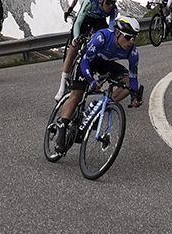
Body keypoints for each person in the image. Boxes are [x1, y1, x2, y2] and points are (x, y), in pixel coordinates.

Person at [49, 15, 143, 151]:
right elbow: (85, 61)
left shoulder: (133, 52)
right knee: (77, 96)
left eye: (134, 37)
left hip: (105, 63)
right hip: (87, 62)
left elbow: (133, 78)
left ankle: (99, 106)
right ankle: (62, 126)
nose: (131, 41)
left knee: (126, 82)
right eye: (128, 37)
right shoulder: (102, 37)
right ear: (117, 33)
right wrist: (91, 81)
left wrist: (134, 96)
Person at [61, 0, 119, 85]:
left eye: (113, 3)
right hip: (86, 17)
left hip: (99, 20)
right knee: (75, 44)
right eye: (108, 2)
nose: (111, 6)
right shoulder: (90, 0)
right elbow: (78, 21)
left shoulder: (113, 9)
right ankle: (63, 81)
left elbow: (111, 29)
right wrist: (76, 37)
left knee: (102, 40)